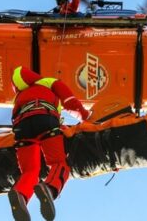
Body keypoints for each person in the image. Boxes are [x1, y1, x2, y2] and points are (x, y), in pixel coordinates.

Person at [8, 66, 91, 221]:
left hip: (21, 128)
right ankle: (49, 188)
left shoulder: (18, 96)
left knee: (30, 170)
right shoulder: (49, 82)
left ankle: (20, 194)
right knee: (59, 163)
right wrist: (86, 117)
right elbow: (69, 102)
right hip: (46, 120)